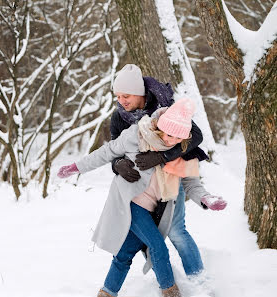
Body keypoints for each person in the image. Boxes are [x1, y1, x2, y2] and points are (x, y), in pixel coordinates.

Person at [57, 98, 227, 297]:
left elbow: (191, 183)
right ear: (159, 126)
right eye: (169, 134)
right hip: (131, 203)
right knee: (158, 248)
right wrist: (77, 167)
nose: (172, 141)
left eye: (179, 137)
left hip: (154, 210)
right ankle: (171, 292)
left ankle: (107, 292)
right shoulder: (137, 135)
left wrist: (206, 198)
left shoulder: (182, 151)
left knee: (124, 255)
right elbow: (107, 151)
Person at [109, 64, 225, 278]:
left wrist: (162, 156)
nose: (121, 101)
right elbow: (112, 151)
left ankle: (198, 281)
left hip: (171, 177)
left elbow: (195, 136)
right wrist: (118, 165)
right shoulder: (118, 118)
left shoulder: (164, 106)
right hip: (141, 187)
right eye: (117, 96)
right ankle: (169, 282)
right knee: (149, 237)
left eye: (126, 95)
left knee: (175, 231)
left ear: (140, 93)